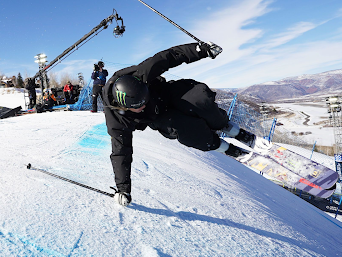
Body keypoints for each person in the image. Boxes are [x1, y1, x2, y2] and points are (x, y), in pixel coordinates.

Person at [101, 42, 256, 207]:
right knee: (186, 128)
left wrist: (201, 50)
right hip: (158, 116)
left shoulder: (140, 74)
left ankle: (231, 129)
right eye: (140, 106)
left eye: (144, 100)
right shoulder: (117, 120)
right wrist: (123, 189)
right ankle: (223, 147)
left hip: (166, 93)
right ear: (125, 107)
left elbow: (169, 56)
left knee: (199, 99)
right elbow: (120, 152)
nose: (144, 105)